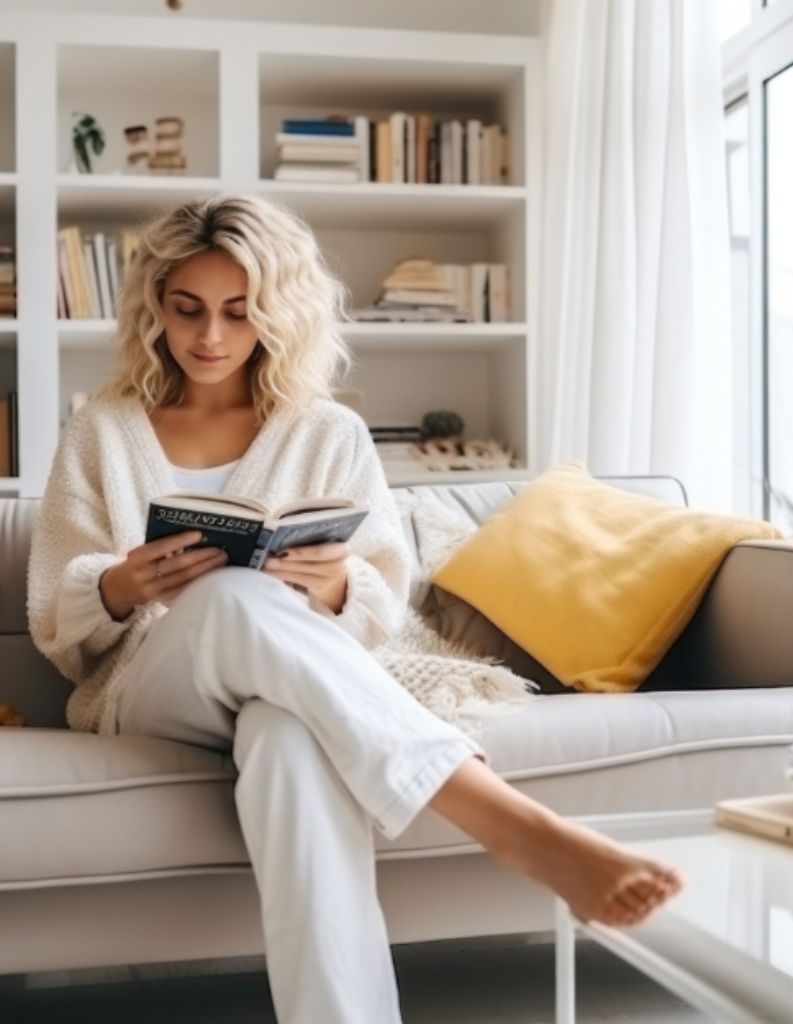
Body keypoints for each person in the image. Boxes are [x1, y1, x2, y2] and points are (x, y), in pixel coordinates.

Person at [28, 194, 682, 1024]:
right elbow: (57, 613)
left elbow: (379, 597)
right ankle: (510, 824)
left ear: (279, 313)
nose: (210, 337)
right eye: (187, 308)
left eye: (239, 312)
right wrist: (121, 584)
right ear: (154, 304)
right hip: (150, 692)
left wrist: (334, 587)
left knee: (289, 737)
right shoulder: (103, 429)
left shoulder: (327, 431)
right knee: (232, 592)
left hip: (285, 685)